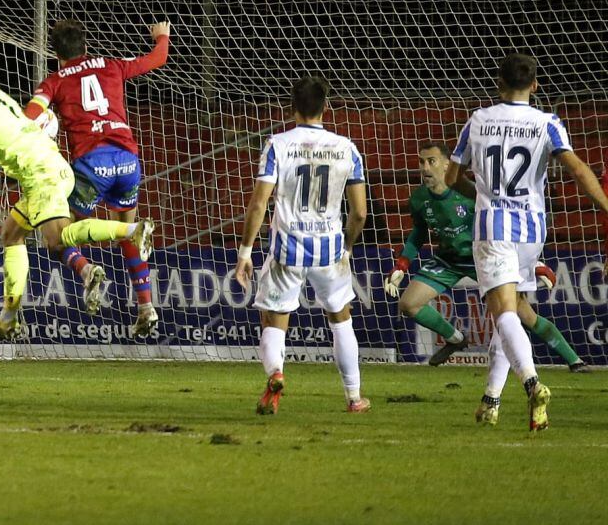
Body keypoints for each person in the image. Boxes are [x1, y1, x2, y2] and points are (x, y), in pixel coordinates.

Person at [0, 51, 155, 343]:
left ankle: (132, 230)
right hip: (48, 170)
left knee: (57, 238)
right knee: (11, 233)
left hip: (43, 176)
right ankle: (8, 319)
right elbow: (12, 125)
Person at [447, 53, 608, 430]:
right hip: (532, 230)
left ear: (498, 83)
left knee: (503, 314)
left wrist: (482, 195)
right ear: (535, 85)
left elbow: (453, 176)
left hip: (494, 228)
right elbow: (579, 169)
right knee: (514, 309)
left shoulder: (478, 120)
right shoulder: (547, 123)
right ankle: (490, 401)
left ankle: (533, 383)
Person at [385, 140, 589, 371]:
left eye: (431, 161)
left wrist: (532, 264)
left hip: (483, 258)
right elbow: (419, 232)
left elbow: (504, 226)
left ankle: (574, 360)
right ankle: (455, 339)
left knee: (523, 315)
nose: (425, 168)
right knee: (409, 303)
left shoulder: (472, 193)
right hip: (448, 260)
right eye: (421, 162)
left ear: (446, 165)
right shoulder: (420, 198)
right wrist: (402, 264)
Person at [23, 19, 169, 337]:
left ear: (56, 54)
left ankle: (86, 271)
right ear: (85, 46)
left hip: (92, 166)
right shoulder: (112, 66)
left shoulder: (55, 81)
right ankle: (146, 307)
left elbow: (31, 115)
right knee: (126, 235)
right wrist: (162, 37)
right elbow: (157, 59)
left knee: (57, 235)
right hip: (128, 162)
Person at [234, 75, 371, 415]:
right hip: (330, 251)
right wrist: (348, 247)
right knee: (341, 320)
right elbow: (360, 212)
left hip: (287, 249)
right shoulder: (347, 148)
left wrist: (245, 252)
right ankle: (354, 398)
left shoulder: (278, 144)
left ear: (292, 107)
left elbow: (258, 204)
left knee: (274, 318)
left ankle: (276, 372)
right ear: (325, 107)